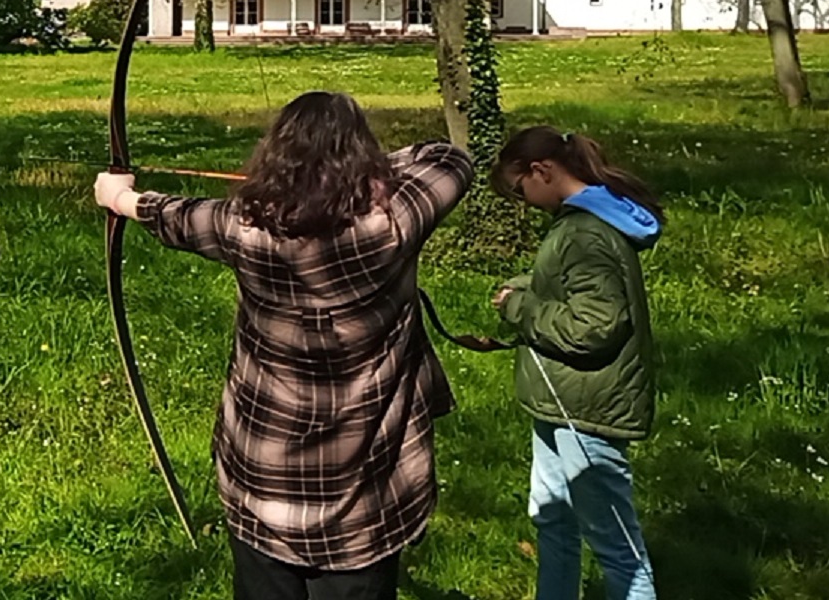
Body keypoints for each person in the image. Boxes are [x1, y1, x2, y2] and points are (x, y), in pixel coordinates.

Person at [94, 91, 473, 600]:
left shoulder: (242, 228)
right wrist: (367, 172)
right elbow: (450, 157)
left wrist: (120, 198)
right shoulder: (398, 219)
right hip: (365, 501)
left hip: (264, 482)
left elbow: (175, 216)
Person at [490, 127, 660, 600]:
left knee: (615, 546)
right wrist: (527, 288)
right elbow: (575, 289)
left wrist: (518, 308)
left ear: (541, 171)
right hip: (557, 402)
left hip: (585, 410)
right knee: (552, 520)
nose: (521, 200)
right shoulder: (583, 221)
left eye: (519, 187)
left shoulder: (586, 232)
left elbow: (594, 326)